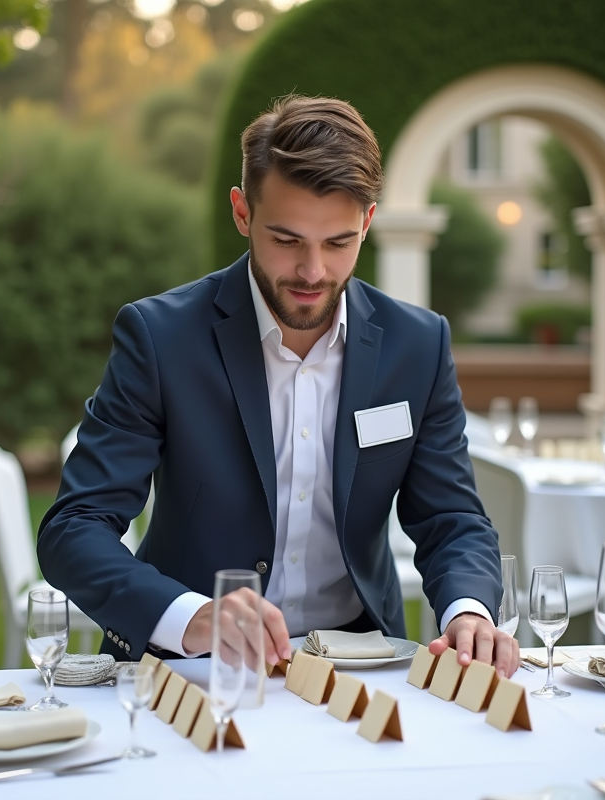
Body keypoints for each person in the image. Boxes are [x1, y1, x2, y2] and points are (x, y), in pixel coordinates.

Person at [38, 95, 519, 678]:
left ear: (367, 222)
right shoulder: (160, 336)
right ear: (242, 213)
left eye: (338, 242)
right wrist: (189, 616)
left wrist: (468, 611)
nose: (313, 272)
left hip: (360, 670)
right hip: (189, 672)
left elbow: (453, 519)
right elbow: (75, 526)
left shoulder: (418, 345)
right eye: (287, 240)